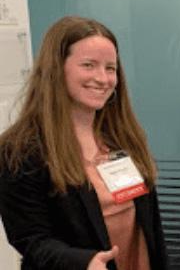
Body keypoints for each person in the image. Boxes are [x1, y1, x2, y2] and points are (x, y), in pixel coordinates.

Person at [0, 16, 169, 269]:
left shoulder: (121, 137)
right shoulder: (19, 150)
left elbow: (150, 226)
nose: (103, 79)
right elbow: (31, 239)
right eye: (89, 65)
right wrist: (82, 262)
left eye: (110, 68)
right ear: (56, 68)